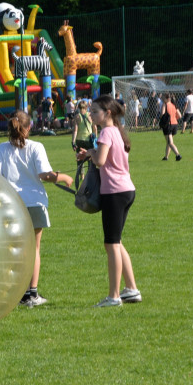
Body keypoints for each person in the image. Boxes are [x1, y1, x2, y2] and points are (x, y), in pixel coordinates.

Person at [0, 110, 74, 308]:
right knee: (34, 249)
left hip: (11, 206)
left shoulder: (0, 149)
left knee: (14, 249)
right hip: (34, 203)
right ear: (29, 128)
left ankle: (15, 292)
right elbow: (45, 175)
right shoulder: (36, 146)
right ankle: (31, 294)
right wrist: (64, 177)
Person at [76, 95, 141, 307]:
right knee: (117, 241)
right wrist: (92, 153)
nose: (92, 115)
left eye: (95, 111)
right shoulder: (117, 132)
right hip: (126, 190)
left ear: (108, 113)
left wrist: (92, 154)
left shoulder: (105, 132)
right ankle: (131, 289)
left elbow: (102, 160)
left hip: (114, 192)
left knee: (111, 244)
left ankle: (113, 296)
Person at [160, 94, 182, 161]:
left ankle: (178, 155)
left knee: (170, 142)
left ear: (167, 99)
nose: (162, 99)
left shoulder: (165, 104)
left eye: (163, 98)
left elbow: (162, 114)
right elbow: (180, 115)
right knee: (168, 142)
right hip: (175, 124)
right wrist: (173, 118)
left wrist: (163, 119)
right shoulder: (174, 105)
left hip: (168, 125)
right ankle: (166, 157)